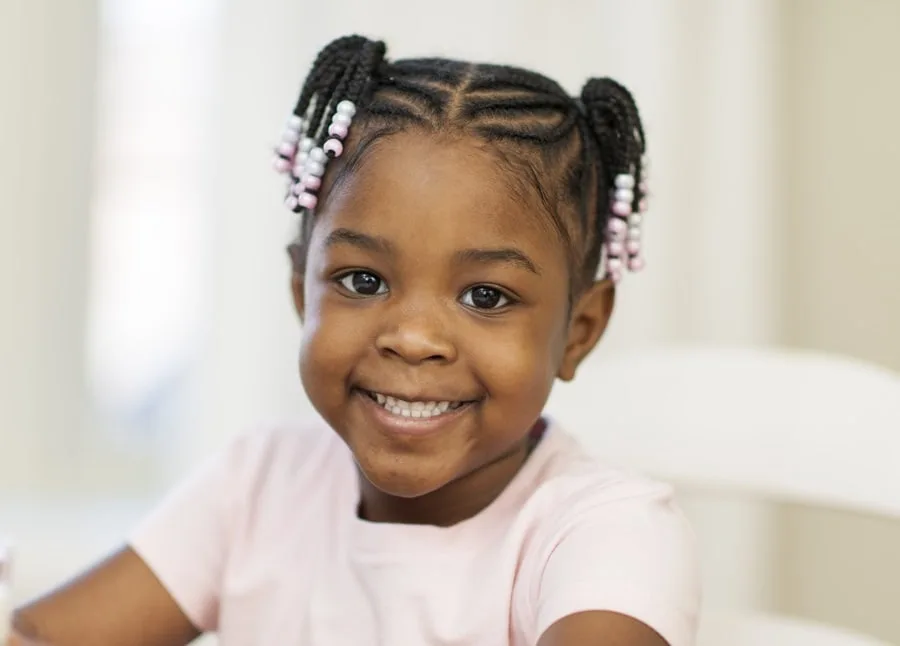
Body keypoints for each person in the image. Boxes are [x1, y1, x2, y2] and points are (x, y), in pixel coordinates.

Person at [10, 35, 700, 646]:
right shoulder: (258, 487)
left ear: (579, 331)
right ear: (299, 290)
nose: (413, 338)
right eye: (363, 280)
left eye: (484, 296)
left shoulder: (604, 534)